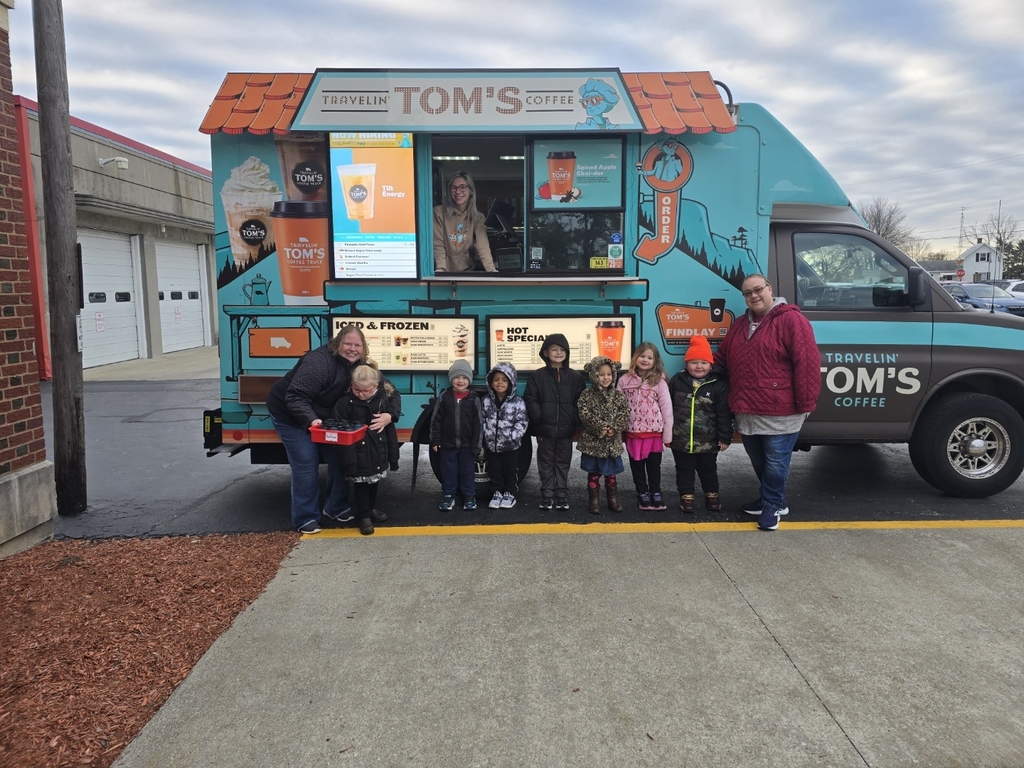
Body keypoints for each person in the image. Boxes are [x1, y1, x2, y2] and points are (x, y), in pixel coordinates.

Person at [714, 274, 821, 531]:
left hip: (782, 410)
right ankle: (772, 498)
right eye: (748, 293)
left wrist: (805, 403)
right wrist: (694, 374)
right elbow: (722, 358)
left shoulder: (791, 320)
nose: (754, 295)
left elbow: (807, 363)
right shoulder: (740, 325)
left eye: (758, 289)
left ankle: (772, 506)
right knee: (759, 460)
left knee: (775, 462)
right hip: (748, 410)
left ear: (769, 289)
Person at [266, 324, 367, 534]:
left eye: (357, 345)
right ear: (337, 343)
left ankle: (335, 507)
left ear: (363, 348)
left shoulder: (359, 365)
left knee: (342, 458)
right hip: (290, 415)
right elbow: (294, 397)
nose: (352, 349)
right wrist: (311, 421)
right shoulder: (319, 362)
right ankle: (305, 518)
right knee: (306, 462)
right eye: (348, 343)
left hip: (321, 417)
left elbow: (377, 385)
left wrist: (388, 411)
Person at [331, 362, 401, 535]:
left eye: (365, 391)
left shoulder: (383, 399)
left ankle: (371, 509)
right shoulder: (344, 403)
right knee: (361, 485)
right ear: (351, 385)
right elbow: (338, 427)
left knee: (374, 481)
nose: (361, 394)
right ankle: (364, 516)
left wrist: (392, 454)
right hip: (356, 452)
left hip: (377, 449)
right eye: (356, 390)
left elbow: (390, 428)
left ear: (375, 386)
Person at [669, 336, 732, 514]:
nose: (698, 366)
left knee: (708, 469)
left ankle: (712, 496)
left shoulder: (718, 385)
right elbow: (667, 408)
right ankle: (686, 496)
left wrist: (724, 436)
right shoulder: (677, 381)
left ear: (711, 365)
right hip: (681, 441)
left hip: (709, 442)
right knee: (683, 470)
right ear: (686, 364)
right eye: (694, 362)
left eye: (703, 362)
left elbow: (723, 414)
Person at [524, 333, 585, 510]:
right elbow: (530, 398)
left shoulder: (576, 377)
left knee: (563, 462)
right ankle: (547, 495)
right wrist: (539, 417)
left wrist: (574, 419)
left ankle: (561, 495)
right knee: (545, 462)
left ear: (567, 353)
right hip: (545, 430)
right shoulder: (538, 376)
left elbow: (580, 402)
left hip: (566, 430)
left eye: (561, 350)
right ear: (545, 353)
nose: (558, 353)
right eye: (554, 349)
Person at [618, 341, 673, 511]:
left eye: (650, 357)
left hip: (654, 433)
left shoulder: (660, 381)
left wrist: (667, 435)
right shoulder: (624, 380)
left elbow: (667, 408)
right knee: (637, 465)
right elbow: (618, 406)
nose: (645, 360)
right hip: (633, 432)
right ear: (635, 357)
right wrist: (619, 432)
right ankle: (642, 493)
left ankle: (656, 492)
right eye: (642, 356)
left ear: (655, 361)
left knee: (654, 465)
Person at [576, 355, 630, 514]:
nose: (605, 378)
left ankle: (612, 498)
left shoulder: (618, 395)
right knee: (593, 473)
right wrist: (600, 427)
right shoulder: (587, 395)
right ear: (594, 375)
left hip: (611, 443)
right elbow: (584, 413)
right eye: (601, 374)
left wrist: (615, 427)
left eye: (609, 374)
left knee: (611, 474)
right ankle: (594, 500)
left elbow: (624, 412)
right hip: (593, 443)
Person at [431, 359, 483, 511]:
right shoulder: (445, 397)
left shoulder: (474, 399)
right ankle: (448, 496)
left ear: (469, 380)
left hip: (467, 446)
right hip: (447, 445)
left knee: (467, 472)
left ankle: (469, 497)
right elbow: (436, 420)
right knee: (448, 471)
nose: (460, 381)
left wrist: (476, 445)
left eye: (464, 377)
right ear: (451, 378)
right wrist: (435, 439)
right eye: (457, 377)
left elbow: (479, 424)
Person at [480, 362, 529, 510]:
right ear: (491, 382)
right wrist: (486, 434)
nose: (500, 383)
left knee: (510, 470)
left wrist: (512, 437)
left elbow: (522, 422)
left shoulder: (518, 403)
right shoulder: (486, 401)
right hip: (492, 445)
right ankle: (496, 493)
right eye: (496, 379)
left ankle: (510, 493)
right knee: (494, 470)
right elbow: (481, 419)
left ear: (511, 383)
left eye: (504, 380)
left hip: (510, 446)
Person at [432, 172, 498, 273]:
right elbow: (438, 243)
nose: (458, 191)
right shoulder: (438, 212)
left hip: (467, 272)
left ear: (470, 191)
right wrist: (440, 268)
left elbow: (482, 245)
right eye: (454, 188)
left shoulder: (478, 217)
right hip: (443, 271)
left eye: (463, 187)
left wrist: (491, 269)